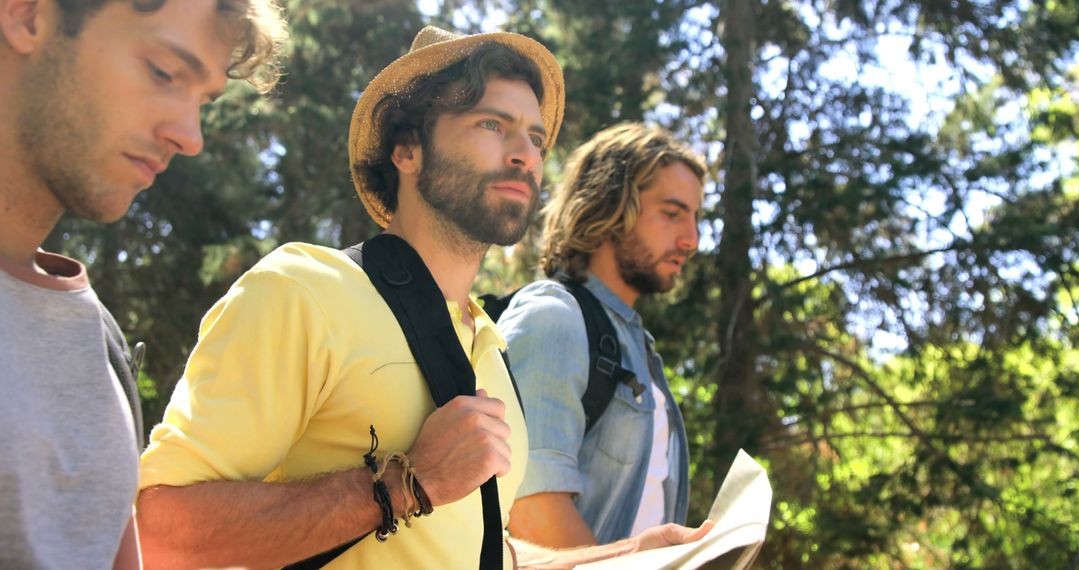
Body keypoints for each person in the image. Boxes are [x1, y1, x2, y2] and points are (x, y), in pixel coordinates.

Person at [135, 26, 710, 569]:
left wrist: (634, 556)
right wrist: (406, 483)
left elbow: (485, 555)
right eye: (492, 124)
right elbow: (154, 532)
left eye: (535, 137)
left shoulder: (491, 346)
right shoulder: (303, 291)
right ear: (406, 149)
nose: (525, 154)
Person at [0, 0, 286, 567]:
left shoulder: (94, 335)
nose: (190, 136)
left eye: (203, 99)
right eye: (163, 72)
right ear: (28, 14)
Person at [500, 122, 706, 548]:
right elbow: (529, 510)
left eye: (696, 217)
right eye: (672, 213)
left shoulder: (639, 349)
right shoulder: (555, 317)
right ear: (610, 207)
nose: (691, 240)